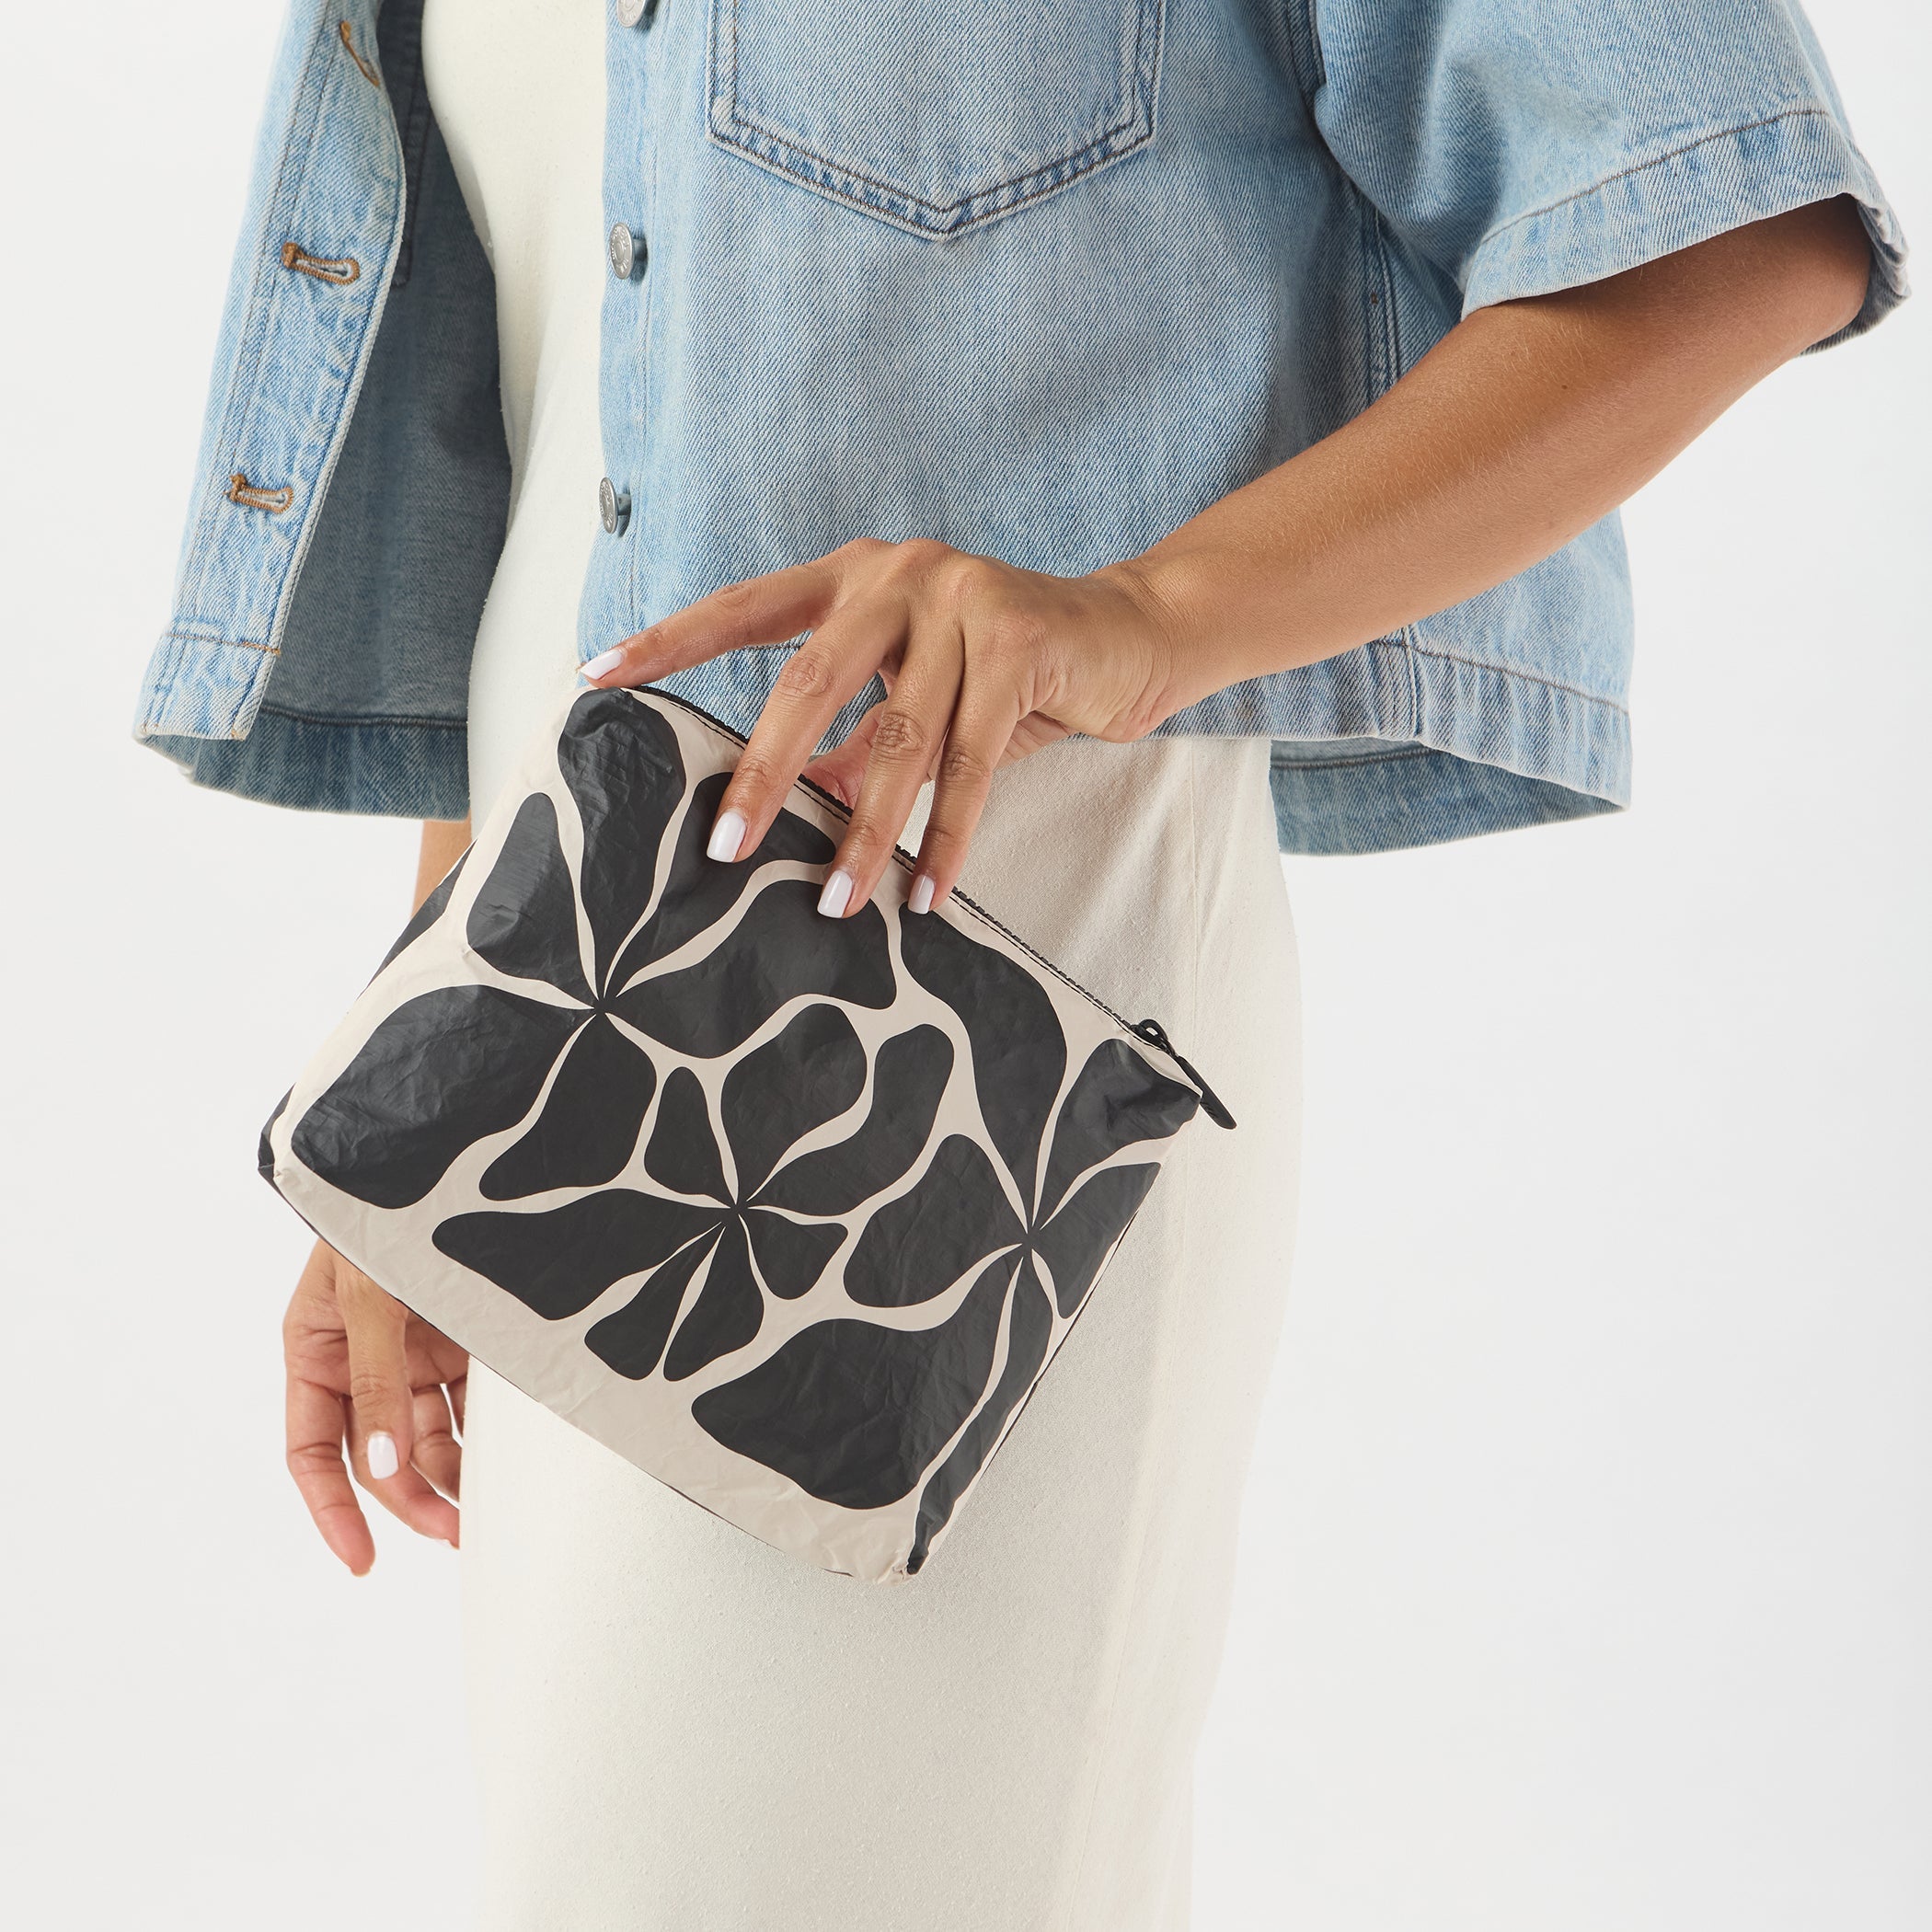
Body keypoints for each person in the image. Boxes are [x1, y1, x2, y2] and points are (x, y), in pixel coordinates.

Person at [135, 0, 1904, 1924]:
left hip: (974, 1098)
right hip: (579, 1070)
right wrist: (435, 1076)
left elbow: (1737, 233)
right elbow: (574, 473)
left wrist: (1149, 612)